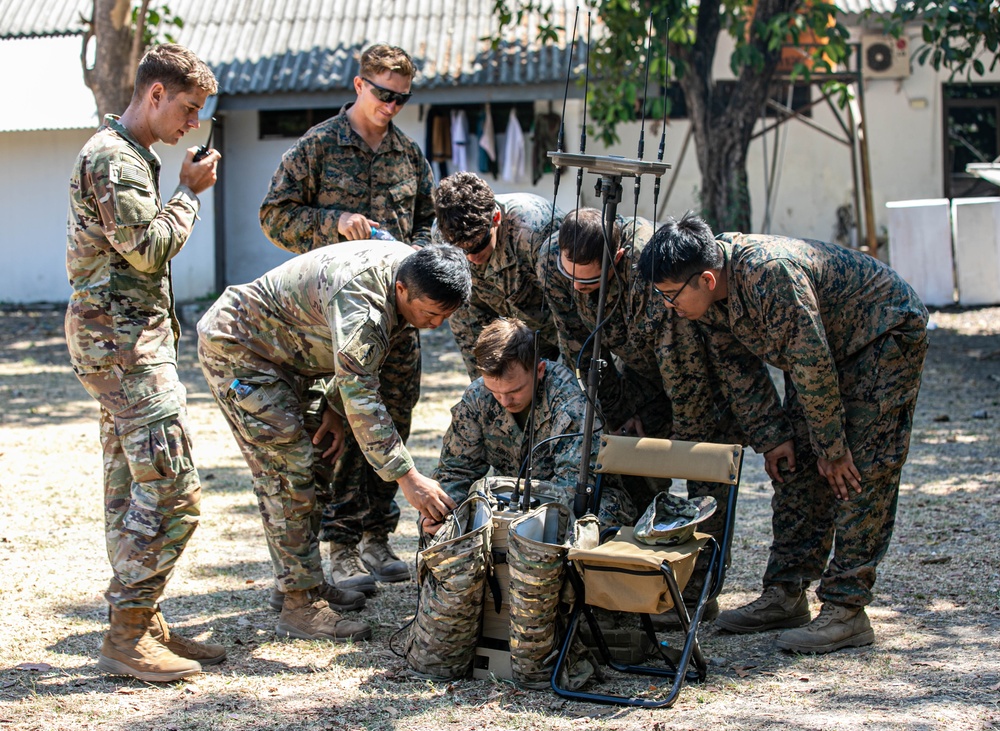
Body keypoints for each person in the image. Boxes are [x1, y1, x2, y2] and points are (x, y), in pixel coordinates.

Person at [639, 211, 928, 654]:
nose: (668, 306)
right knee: (796, 467)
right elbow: (740, 372)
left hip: (880, 335)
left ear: (707, 280)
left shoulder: (769, 274)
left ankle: (847, 610)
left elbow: (812, 362)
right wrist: (775, 437)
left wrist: (832, 447)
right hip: (823, 353)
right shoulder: (709, 299)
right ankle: (786, 593)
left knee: (858, 469)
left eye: (671, 295)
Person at [197, 242, 471, 642]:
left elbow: (352, 368)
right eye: (428, 313)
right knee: (289, 468)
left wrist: (332, 408)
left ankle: (302, 581)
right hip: (243, 348)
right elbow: (360, 390)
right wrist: (407, 477)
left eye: (444, 316)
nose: (433, 325)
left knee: (320, 459)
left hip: (294, 355)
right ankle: (299, 605)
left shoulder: (415, 267)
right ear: (400, 290)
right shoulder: (364, 303)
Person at [65, 44, 225, 682]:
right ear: (154, 94)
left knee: (128, 489)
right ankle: (126, 632)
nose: (192, 125)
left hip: (121, 342)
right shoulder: (115, 160)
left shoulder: (129, 156)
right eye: (187, 110)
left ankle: (142, 619)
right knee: (173, 490)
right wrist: (187, 193)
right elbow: (146, 248)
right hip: (122, 347)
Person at [547, 208, 791, 625]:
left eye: (589, 281)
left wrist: (690, 448)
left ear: (618, 258)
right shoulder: (555, 261)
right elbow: (584, 351)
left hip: (699, 372)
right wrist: (623, 414)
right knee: (633, 467)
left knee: (705, 476)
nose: (578, 289)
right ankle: (644, 578)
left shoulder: (651, 269)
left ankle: (698, 590)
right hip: (639, 373)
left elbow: (687, 373)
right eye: (571, 278)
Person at [259, 43, 435, 592]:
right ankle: (339, 546)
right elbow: (274, 217)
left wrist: (418, 263)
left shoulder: (409, 155)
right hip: (336, 315)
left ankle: (377, 535)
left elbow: (427, 227)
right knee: (341, 422)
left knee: (394, 419)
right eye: (384, 94)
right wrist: (333, 222)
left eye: (402, 98)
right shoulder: (317, 146)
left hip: (398, 315)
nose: (392, 105)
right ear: (359, 85)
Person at [432, 318, 634, 532]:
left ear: (539, 370)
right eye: (495, 392)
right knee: (443, 525)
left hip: (579, 505)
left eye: (514, 391)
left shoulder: (570, 401)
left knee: (583, 527)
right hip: (511, 500)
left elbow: (572, 486)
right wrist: (442, 513)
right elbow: (455, 471)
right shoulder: (477, 396)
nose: (504, 401)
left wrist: (514, 519)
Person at [433, 171, 564, 378]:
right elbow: (467, 322)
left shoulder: (535, 230)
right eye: (461, 250)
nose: (470, 259)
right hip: (503, 324)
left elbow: (570, 315)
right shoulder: (444, 234)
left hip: (556, 325)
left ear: (495, 218)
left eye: (478, 246)